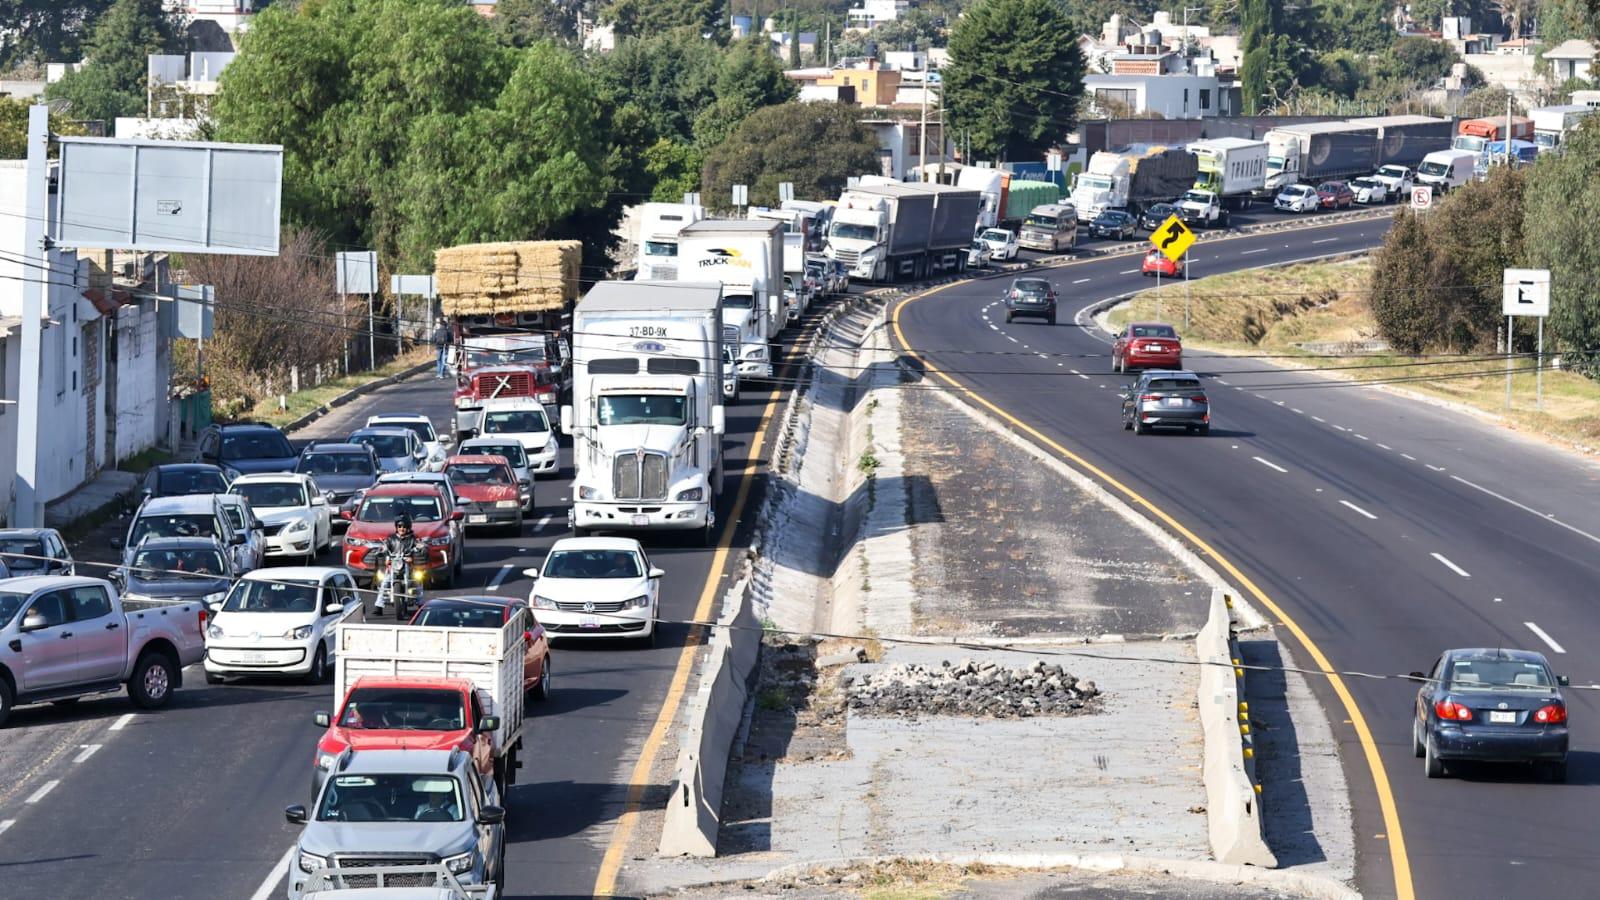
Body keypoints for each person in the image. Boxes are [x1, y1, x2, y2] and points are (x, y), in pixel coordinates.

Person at [376, 515, 427, 611]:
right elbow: (385, 546)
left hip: (408, 566)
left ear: (408, 527)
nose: (401, 529)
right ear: (396, 527)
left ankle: (420, 603)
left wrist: (422, 548)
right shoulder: (391, 538)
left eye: (404, 526)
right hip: (394, 566)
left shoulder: (412, 539)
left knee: (417, 582)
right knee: (385, 582)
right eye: (399, 526)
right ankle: (379, 605)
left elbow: (419, 544)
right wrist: (381, 550)